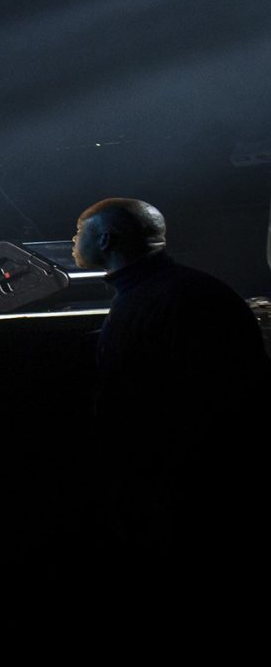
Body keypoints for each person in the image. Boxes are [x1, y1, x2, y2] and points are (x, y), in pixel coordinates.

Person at [73, 197, 270, 515]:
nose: (74, 240)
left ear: (105, 238)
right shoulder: (183, 289)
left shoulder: (151, 300)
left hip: (180, 484)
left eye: (80, 230)